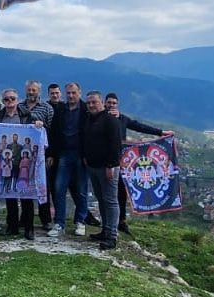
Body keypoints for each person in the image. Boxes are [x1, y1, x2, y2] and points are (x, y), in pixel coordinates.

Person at [105, 92, 171, 235]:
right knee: (105, 192)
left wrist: (161, 132)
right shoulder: (100, 117)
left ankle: (121, 221)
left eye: (114, 103)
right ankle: (107, 222)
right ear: (105, 103)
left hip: (120, 161)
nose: (111, 105)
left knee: (121, 192)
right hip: (103, 160)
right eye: (109, 102)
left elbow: (139, 126)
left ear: (117, 105)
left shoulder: (122, 119)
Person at [0, 88, 44, 240]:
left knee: (25, 195)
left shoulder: (27, 116)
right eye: (6, 99)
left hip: (22, 164)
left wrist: (38, 125)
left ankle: (29, 228)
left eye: (12, 98)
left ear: (17, 100)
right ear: (3, 101)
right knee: (9, 194)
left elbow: (39, 133)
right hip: (7, 164)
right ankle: (12, 226)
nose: (10, 101)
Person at [82, 91, 123, 250]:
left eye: (94, 102)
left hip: (107, 168)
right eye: (89, 103)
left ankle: (112, 236)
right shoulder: (89, 119)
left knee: (111, 201)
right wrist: (85, 156)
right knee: (101, 199)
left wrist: (111, 165)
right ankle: (105, 230)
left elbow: (115, 145)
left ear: (102, 103)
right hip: (92, 166)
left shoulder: (111, 121)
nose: (91, 105)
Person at [48, 82, 91, 237]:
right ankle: (59, 223)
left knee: (81, 190)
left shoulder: (87, 109)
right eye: (69, 93)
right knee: (59, 188)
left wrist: (87, 155)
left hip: (81, 154)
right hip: (64, 154)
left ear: (79, 92)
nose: (71, 96)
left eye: (74, 92)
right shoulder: (60, 109)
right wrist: (51, 154)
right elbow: (53, 132)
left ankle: (80, 221)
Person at [20, 81, 55, 229]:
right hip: (24, 154)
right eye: (29, 90)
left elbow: (52, 131)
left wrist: (50, 154)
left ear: (39, 91)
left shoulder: (47, 108)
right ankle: (25, 217)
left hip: (41, 154)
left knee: (42, 186)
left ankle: (45, 219)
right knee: (23, 184)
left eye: (34, 90)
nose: (31, 92)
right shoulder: (19, 106)